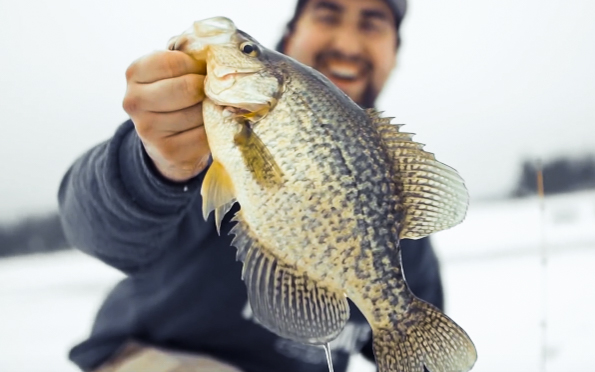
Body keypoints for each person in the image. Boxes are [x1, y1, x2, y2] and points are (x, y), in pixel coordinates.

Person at [58, 0, 446, 371]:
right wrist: (155, 163)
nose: (346, 43)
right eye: (327, 16)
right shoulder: (199, 143)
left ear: (394, 53)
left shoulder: (398, 216)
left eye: (371, 23)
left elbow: (426, 360)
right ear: (290, 35)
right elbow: (90, 227)